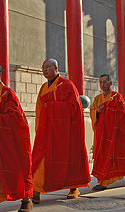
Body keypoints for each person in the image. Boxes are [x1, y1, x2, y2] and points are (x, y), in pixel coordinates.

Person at [32, 59, 91, 203]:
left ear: (56, 68)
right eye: (43, 67)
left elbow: (75, 108)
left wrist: (51, 106)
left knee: (70, 159)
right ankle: (36, 190)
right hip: (47, 131)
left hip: (66, 132)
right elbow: (40, 109)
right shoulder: (43, 87)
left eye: (48, 67)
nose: (45, 70)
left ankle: (73, 187)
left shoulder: (67, 85)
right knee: (39, 159)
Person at [90, 74, 125, 190]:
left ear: (110, 83)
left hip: (116, 133)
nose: (102, 85)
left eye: (105, 82)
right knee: (103, 156)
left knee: (120, 155)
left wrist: (107, 109)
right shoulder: (98, 98)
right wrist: (97, 112)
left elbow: (122, 114)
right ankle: (103, 182)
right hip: (102, 134)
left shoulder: (117, 97)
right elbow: (93, 111)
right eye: (100, 82)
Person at [0, 65, 33, 212]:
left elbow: (15, 117)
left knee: (18, 166)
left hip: (10, 140)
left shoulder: (8, 94)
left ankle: (27, 198)